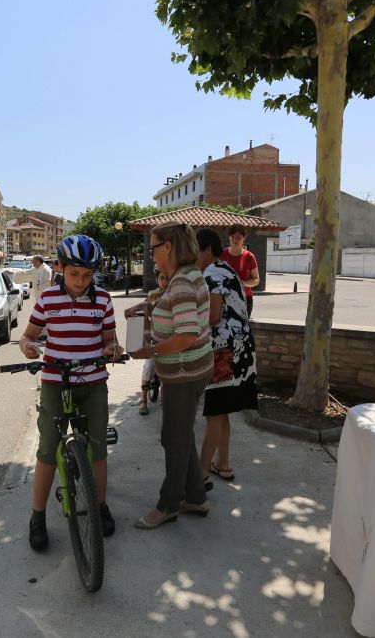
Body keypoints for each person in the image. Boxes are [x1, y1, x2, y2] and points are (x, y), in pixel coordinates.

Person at [18, 234, 124, 550]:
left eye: (87, 275)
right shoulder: (48, 299)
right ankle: (37, 516)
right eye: (74, 274)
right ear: (61, 268)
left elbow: (110, 340)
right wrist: (28, 348)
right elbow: (28, 337)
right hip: (54, 381)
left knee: (99, 449)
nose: (80, 281)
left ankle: (100, 504)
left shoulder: (103, 300)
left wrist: (113, 348)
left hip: (93, 382)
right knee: (48, 449)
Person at [130, 222, 213, 529]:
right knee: (182, 435)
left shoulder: (180, 283)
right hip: (191, 369)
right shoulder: (186, 276)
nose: (149, 254)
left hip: (183, 373)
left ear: (168, 246)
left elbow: (187, 334)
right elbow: (170, 310)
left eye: (152, 247)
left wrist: (152, 352)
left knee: (173, 439)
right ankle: (196, 497)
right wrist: (143, 310)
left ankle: (168, 505)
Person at [196, 228, 258, 489]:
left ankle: (198, 478)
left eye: (193, 251)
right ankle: (223, 464)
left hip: (224, 351)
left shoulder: (212, 272)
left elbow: (212, 316)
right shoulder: (226, 268)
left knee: (214, 414)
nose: (191, 258)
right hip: (240, 349)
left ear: (207, 249)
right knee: (222, 412)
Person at [124, 270, 169, 415]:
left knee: (168, 368)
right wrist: (135, 308)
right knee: (149, 366)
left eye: (168, 278)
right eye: (162, 278)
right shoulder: (153, 295)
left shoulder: (175, 293)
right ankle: (143, 399)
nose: (165, 281)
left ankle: (165, 396)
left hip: (170, 337)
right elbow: (144, 305)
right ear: (157, 279)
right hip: (155, 336)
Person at [220, 224, 260, 315]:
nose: (235, 240)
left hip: (245, 298)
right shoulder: (222, 255)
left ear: (244, 238)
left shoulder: (249, 256)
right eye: (232, 237)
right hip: (225, 298)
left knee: (242, 328)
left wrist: (241, 283)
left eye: (238, 237)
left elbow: (256, 280)